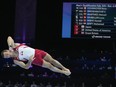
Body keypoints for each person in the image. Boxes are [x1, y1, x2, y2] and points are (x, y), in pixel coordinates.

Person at [1, 36, 71, 76]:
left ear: (7, 50)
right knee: (50, 66)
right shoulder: (15, 60)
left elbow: (9, 37)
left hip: (37, 51)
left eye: (6, 54)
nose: (7, 56)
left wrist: (10, 46)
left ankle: (64, 68)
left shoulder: (14, 46)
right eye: (6, 57)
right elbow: (26, 67)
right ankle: (64, 72)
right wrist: (30, 61)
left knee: (52, 60)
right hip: (34, 59)